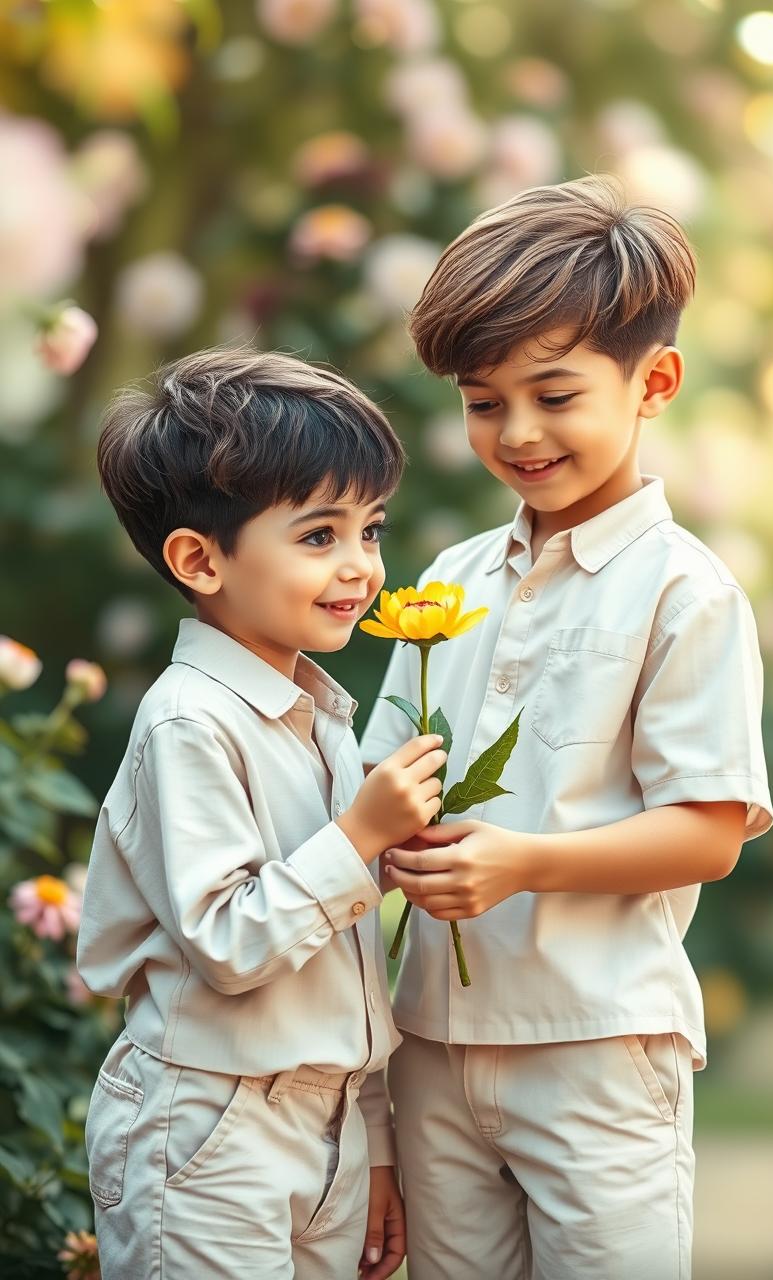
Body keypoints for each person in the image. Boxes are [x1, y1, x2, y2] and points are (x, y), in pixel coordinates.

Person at [361, 176, 773, 1280]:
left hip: (595, 1046)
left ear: (656, 382)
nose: (518, 431)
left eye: (553, 392)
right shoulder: (448, 582)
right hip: (434, 1046)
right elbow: (379, 786)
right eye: (483, 400)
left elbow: (709, 830)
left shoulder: (684, 593)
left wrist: (526, 860)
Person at [77, 347, 447, 1280]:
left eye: (372, 530)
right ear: (200, 559)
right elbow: (230, 944)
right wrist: (360, 836)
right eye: (319, 537)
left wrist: (376, 1146)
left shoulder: (317, 717)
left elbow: (341, 974)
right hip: (207, 1129)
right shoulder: (188, 722)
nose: (362, 567)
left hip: (322, 1123)